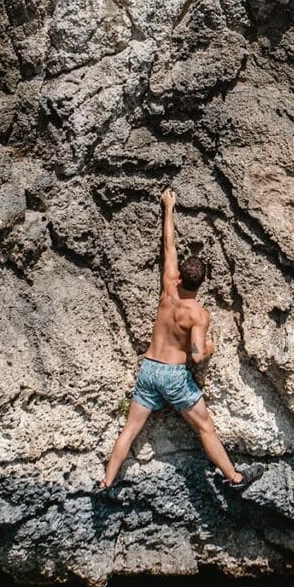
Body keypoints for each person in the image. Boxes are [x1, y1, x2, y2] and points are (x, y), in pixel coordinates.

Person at [99, 189, 263, 491]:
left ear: (178, 278)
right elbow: (198, 355)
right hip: (174, 376)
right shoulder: (198, 314)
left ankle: (106, 480)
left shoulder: (167, 293)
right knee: (204, 426)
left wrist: (169, 208)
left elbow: (168, 245)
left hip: (149, 368)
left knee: (130, 429)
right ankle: (235, 478)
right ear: (201, 284)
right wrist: (211, 346)